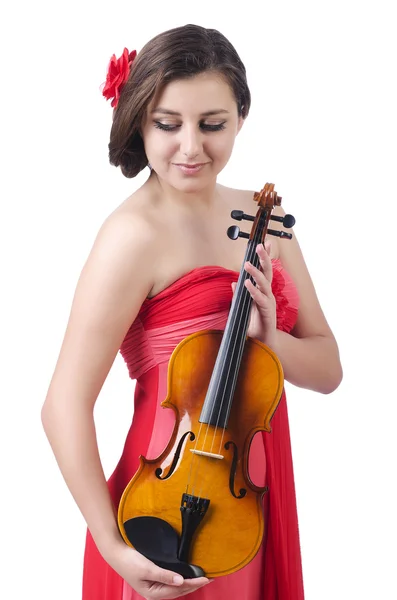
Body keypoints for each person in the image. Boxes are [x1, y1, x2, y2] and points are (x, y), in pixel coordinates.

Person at [41, 23, 342, 600]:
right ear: (140, 121)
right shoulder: (132, 235)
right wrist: (113, 546)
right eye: (167, 124)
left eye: (212, 125)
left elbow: (328, 370)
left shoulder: (265, 216)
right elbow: (62, 405)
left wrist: (270, 341)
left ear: (240, 118)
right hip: (164, 497)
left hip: (248, 485)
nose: (191, 147)